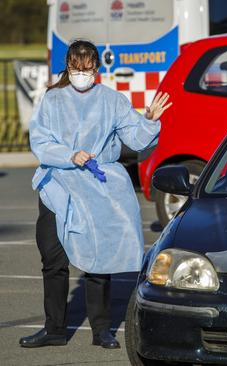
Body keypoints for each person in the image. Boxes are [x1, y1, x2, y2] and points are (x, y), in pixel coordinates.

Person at [19, 40, 171, 349]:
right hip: (58, 185)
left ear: (96, 69)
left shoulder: (112, 100)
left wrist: (150, 120)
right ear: (68, 67)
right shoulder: (53, 100)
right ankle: (54, 328)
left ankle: (102, 330)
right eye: (75, 68)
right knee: (53, 258)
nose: (81, 74)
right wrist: (68, 155)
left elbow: (136, 138)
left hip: (98, 187)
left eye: (87, 69)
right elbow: (41, 141)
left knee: (99, 259)